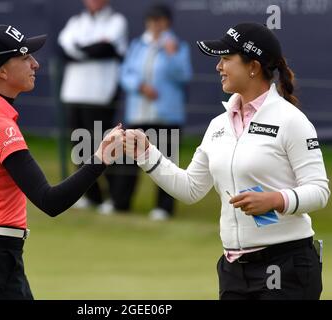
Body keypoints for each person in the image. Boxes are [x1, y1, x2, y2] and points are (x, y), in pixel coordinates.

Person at [124, 22, 330, 299]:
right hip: (234, 271)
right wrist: (146, 154)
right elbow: (190, 189)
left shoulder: (292, 121)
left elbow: (319, 190)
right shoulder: (217, 125)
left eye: (225, 59)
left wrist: (276, 200)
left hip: (286, 267)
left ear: (253, 66)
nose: (218, 67)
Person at [0, 24, 124, 300]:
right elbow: (50, 201)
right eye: (24, 57)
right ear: (1, 70)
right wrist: (100, 160)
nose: (35, 64)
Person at [112, 4, 192, 220]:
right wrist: (140, 86)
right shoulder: (138, 44)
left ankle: (164, 208)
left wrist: (172, 54)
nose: (155, 25)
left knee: (166, 162)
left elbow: (183, 75)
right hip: (138, 113)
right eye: (152, 21)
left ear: (167, 23)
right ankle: (120, 203)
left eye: (160, 21)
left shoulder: (177, 46)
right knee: (128, 158)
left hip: (167, 115)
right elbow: (125, 73)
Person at [57, 0, 128, 212]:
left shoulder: (117, 21)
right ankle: (92, 195)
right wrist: (90, 49)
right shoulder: (76, 21)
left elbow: (104, 48)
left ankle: (114, 198)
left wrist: (78, 48)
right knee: (80, 147)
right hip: (74, 92)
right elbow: (63, 49)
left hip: (100, 94)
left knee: (105, 144)